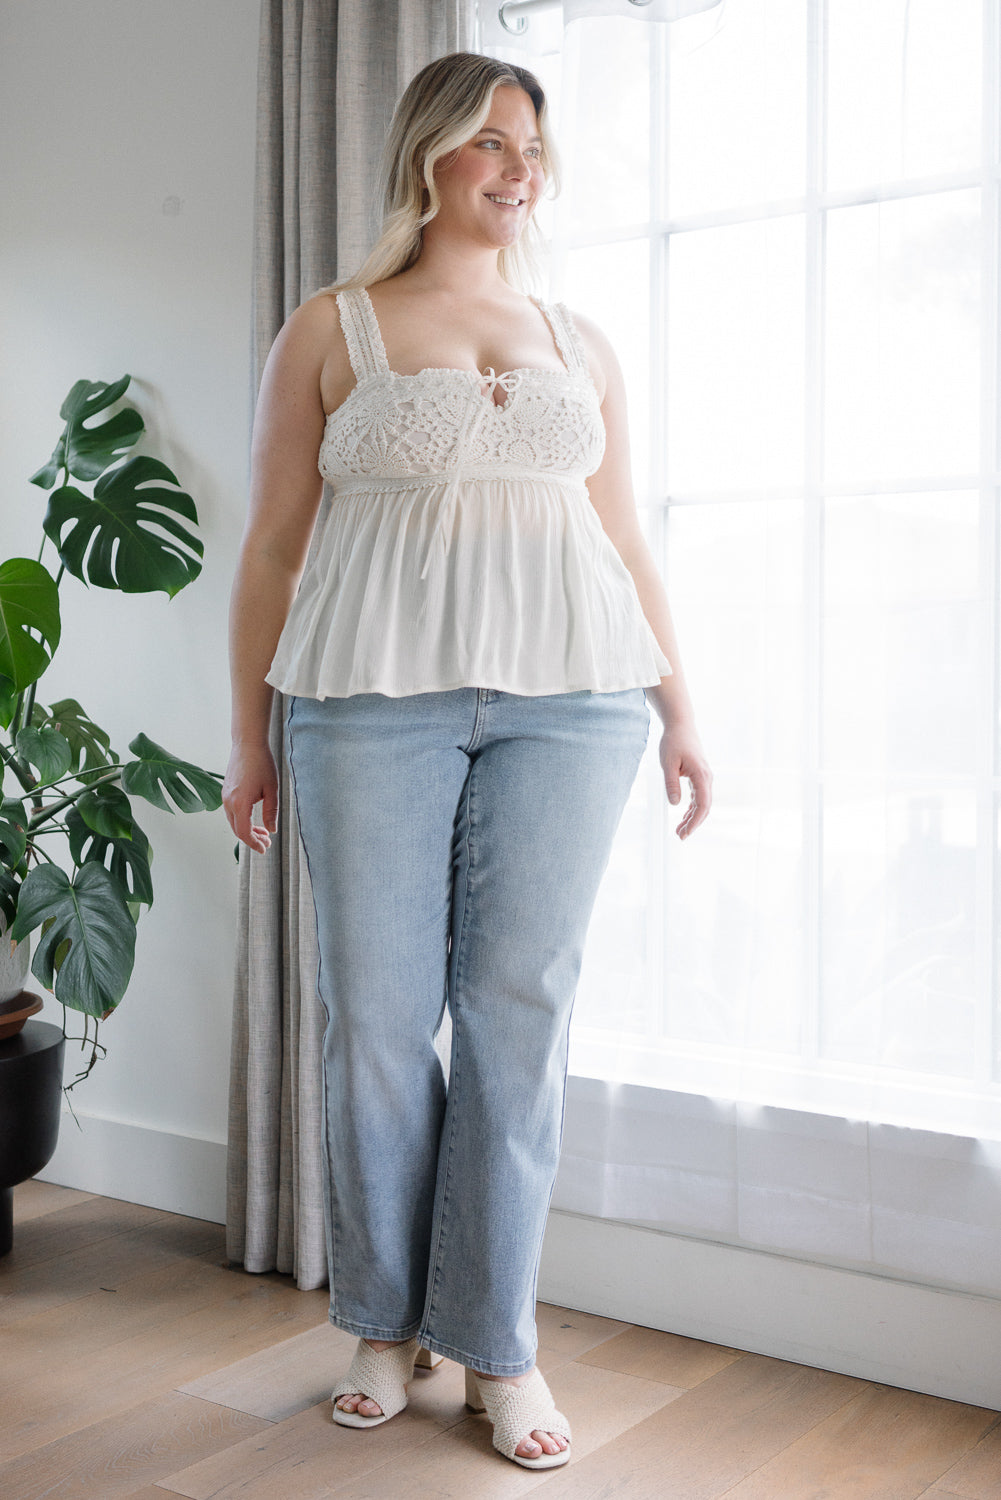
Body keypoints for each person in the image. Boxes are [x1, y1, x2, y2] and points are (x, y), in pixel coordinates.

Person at [223, 50, 712, 1473]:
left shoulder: (578, 339)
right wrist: (248, 736)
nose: (518, 169)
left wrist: (681, 709)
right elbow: (272, 547)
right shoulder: (332, 327)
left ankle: (498, 1342)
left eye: (533, 148)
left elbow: (622, 537)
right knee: (376, 1023)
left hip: (577, 702)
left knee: (518, 1021)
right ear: (428, 152)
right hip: (365, 703)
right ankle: (384, 1325)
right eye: (492, 142)